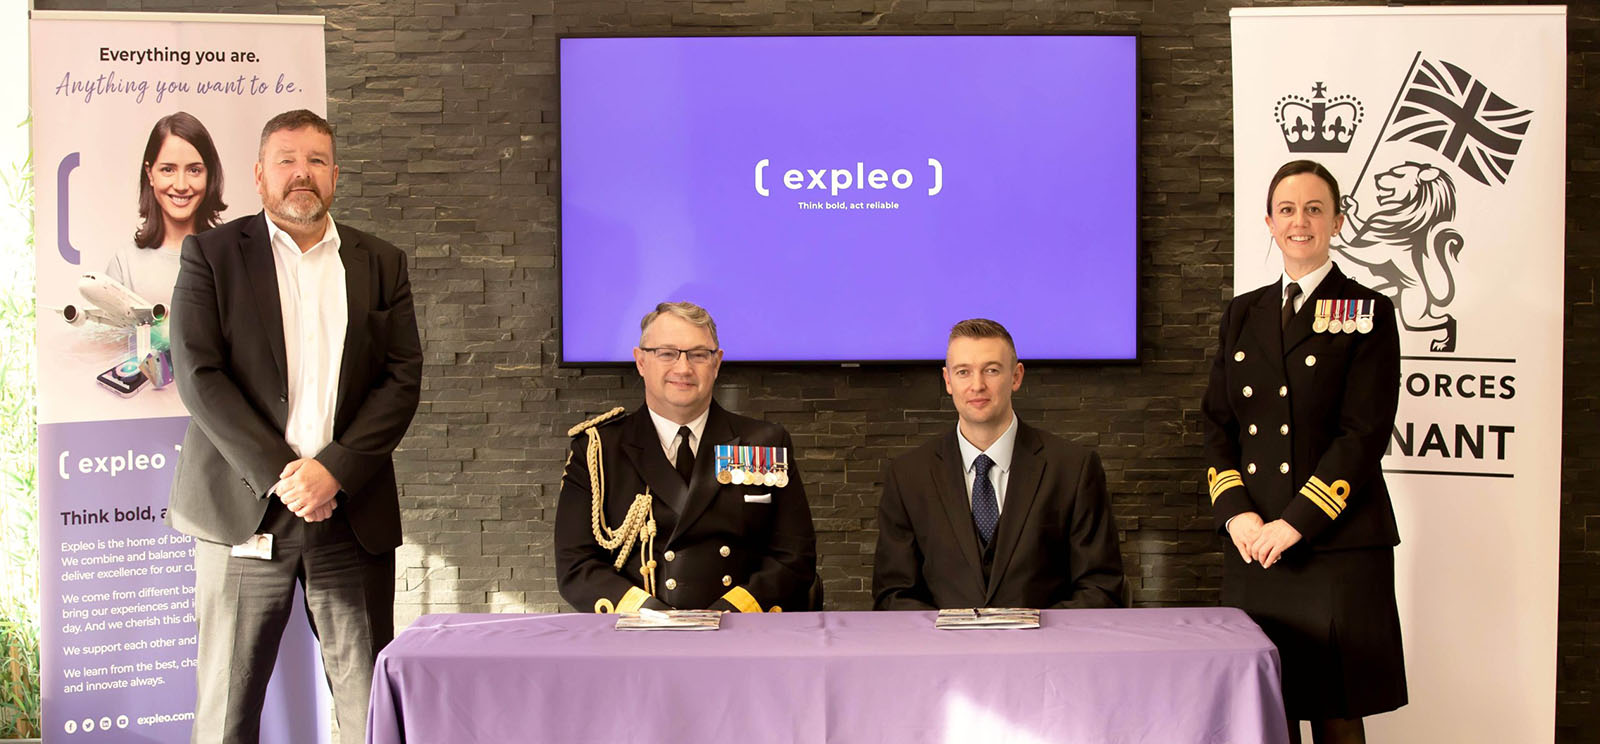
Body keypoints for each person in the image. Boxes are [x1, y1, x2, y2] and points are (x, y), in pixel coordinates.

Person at [167, 109, 422, 744]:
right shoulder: (212, 255)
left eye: (315, 160)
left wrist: (333, 471)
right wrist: (287, 476)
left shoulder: (381, 262)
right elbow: (199, 375)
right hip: (244, 514)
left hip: (349, 515)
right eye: (286, 160)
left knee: (371, 714)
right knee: (226, 717)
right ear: (259, 175)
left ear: (335, 175)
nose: (300, 173)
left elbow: (401, 379)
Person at [1202, 159, 1406, 744]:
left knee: (1336, 711)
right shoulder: (1243, 313)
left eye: (1314, 209)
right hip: (1256, 546)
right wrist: (1237, 514)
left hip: (1332, 543)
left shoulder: (1366, 311)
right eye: (1287, 210)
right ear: (1269, 222)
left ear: (1337, 221)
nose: (1300, 222)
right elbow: (1217, 425)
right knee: (1267, 712)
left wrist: (1295, 523)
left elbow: (1363, 434)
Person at [556, 302, 818, 613]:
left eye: (698, 354)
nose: (683, 368)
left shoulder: (764, 444)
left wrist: (729, 615)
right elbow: (576, 563)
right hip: (638, 631)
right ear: (641, 361)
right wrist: (652, 617)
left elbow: (794, 556)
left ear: (716, 363)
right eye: (666, 353)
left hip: (740, 628)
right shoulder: (598, 450)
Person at [873, 318, 1125, 610]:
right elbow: (893, 595)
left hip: (1047, 640)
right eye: (963, 372)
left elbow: (1101, 588)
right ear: (948, 381)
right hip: (939, 641)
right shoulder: (907, 476)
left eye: (991, 370)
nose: (977, 385)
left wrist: (1034, 632)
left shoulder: (1074, 469)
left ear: (1016, 377)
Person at [106, 111, 228, 308]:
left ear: (209, 174)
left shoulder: (230, 259)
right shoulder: (125, 264)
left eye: (194, 170)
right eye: (168, 170)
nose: (181, 185)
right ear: (150, 174)